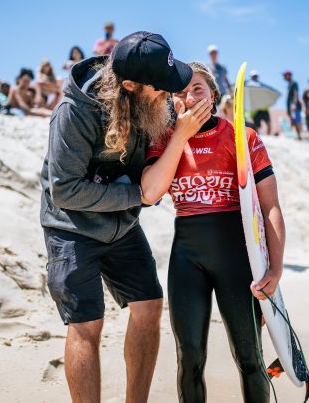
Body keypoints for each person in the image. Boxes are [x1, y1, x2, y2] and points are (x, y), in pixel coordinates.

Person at [40, 31, 193, 403]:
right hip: (71, 226)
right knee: (87, 325)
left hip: (122, 225)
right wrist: (136, 195)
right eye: (160, 88)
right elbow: (65, 190)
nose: (166, 96)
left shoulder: (153, 103)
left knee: (149, 305)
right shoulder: (75, 112)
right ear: (129, 84)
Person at [143, 61, 284, 403]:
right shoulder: (164, 141)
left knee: (250, 358)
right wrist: (181, 134)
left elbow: (270, 207)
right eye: (179, 92)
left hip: (237, 259)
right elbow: (149, 193)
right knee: (189, 358)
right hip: (187, 259)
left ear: (215, 96)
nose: (188, 97)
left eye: (197, 89)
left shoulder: (243, 138)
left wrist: (276, 270)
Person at [246, 70, 273, 135]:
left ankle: (268, 136)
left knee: (268, 123)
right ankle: (258, 137)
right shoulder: (248, 86)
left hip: (264, 108)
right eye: (253, 76)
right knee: (257, 126)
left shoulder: (262, 86)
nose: (255, 77)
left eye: (256, 76)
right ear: (251, 77)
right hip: (255, 110)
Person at [283, 70, 302, 139]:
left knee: (297, 120)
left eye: (285, 76)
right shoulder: (289, 84)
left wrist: (294, 104)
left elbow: (295, 93)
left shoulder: (294, 83)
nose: (284, 77)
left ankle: (299, 136)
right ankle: (298, 136)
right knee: (294, 121)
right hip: (291, 106)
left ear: (289, 76)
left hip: (294, 106)